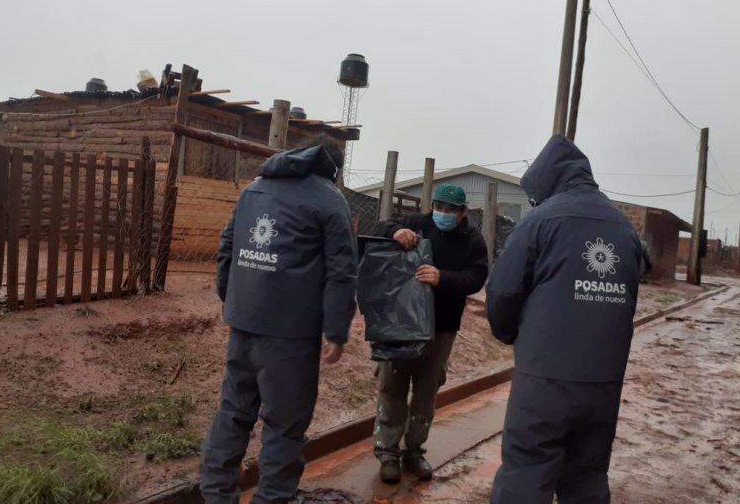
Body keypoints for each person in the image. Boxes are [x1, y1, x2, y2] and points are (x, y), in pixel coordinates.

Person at [200, 136, 358, 504]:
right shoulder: (329, 199)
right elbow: (341, 271)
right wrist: (336, 330)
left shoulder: (255, 190)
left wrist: (235, 301)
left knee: (233, 413)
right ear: (333, 168)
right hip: (291, 336)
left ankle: (216, 496)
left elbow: (227, 247)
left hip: (244, 325)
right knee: (284, 427)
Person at [486, 135, 641, 504]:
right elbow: (630, 297)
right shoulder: (624, 229)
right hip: (604, 382)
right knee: (586, 477)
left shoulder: (539, 221)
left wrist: (508, 333)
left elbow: (503, 292)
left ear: (546, 181)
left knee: (527, 473)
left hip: (545, 381)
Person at [373, 183, 489, 483]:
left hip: (441, 325)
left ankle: (414, 451)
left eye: (451, 209)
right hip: (400, 322)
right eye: (439, 206)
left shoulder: (472, 240)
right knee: (392, 385)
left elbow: (477, 277)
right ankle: (388, 452)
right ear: (432, 205)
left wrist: (444, 278)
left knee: (426, 389)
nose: (444, 213)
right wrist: (394, 232)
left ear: (463, 213)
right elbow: (380, 226)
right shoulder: (416, 224)